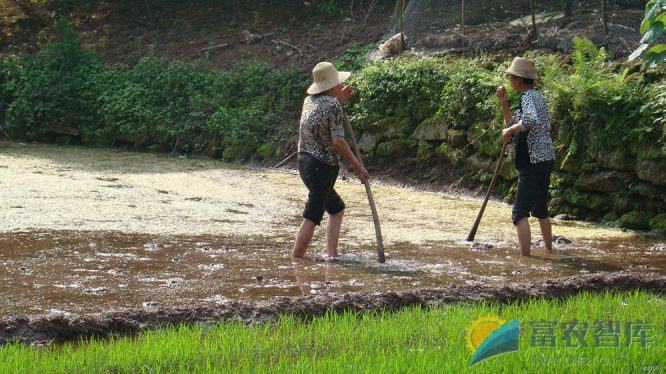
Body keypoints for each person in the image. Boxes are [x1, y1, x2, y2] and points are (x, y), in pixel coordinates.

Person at [292, 62, 369, 260]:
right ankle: (296, 260)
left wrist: (339, 100)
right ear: (332, 85)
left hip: (304, 163)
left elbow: (323, 116)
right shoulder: (333, 105)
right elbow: (338, 142)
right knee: (312, 215)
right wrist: (358, 167)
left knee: (336, 208)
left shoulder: (309, 101)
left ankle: (332, 255)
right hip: (322, 167)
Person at [496, 57, 556, 256]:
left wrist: (509, 131)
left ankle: (525, 259)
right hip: (546, 158)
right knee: (540, 209)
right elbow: (515, 123)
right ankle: (549, 250)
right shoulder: (537, 96)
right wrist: (504, 103)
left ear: (519, 79)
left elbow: (529, 121)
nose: (510, 81)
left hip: (532, 161)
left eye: (511, 78)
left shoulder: (528, 97)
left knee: (519, 213)